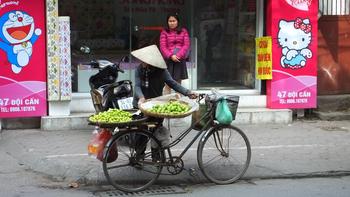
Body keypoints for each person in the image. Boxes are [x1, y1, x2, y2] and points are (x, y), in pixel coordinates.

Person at [131, 45, 196, 160]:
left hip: (155, 105)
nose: (142, 62)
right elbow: (136, 86)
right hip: (140, 104)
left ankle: (157, 157)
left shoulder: (162, 71)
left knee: (157, 131)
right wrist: (141, 98)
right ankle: (138, 157)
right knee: (141, 132)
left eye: (144, 60)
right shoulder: (139, 69)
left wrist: (188, 92)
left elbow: (173, 83)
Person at [159, 13, 190, 95]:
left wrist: (178, 55)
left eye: (174, 21)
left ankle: (178, 102)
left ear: (177, 22)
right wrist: (171, 56)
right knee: (167, 83)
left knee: (178, 83)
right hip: (169, 60)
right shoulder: (164, 32)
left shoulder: (183, 31)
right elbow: (163, 46)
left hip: (179, 59)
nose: (172, 23)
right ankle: (166, 102)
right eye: (170, 21)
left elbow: (186, 45)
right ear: (167, 22)